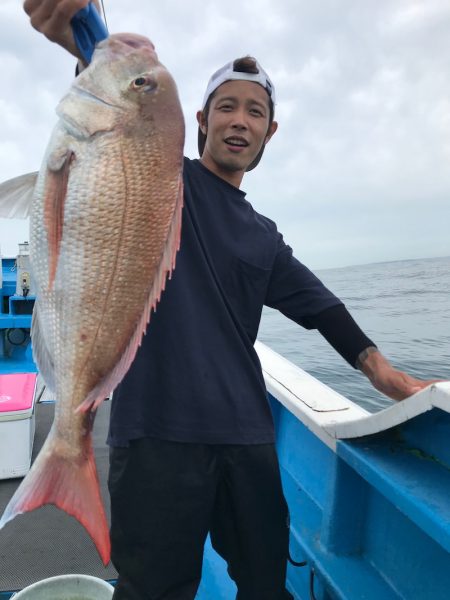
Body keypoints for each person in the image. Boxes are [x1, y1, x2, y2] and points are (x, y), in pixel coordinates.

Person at [23, 2, 437, 598]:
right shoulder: (163, 179)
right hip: (155, 437)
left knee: (265, 583)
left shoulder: (264, 236)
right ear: (199, 121)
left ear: (270, 132)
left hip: (246, 437)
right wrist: (83, 43)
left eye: (255, 111)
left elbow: (320, 308)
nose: (239, 121)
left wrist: (385, 374)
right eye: (226, 106)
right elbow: (116, 138)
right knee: (156, 589)